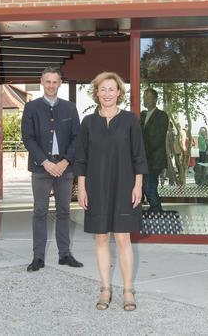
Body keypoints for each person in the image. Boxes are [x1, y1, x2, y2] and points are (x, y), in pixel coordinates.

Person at [74, 72, 148, 311]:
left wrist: (138, 185)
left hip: (125, 186)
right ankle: (105, 288)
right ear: (96, 93)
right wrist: (82, 189)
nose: (107, 94)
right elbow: (82, 159)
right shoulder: (88, 122)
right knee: (101, 238)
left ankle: (128, 290)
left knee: (123, 238)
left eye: (111, 89)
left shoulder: (130, 120)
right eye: (102, 89)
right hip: (96, 187)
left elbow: (139, 156)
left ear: (119, 93)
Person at [21, 67, 83, 272]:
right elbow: (27, 138)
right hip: (41, 168)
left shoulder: (70, 108)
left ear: (60, 83)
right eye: (47, 81)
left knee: (64, 211)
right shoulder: (31, 107)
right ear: (41, 82)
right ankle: (38, 257)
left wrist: (65, 161)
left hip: (65, 168)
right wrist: (45, 162)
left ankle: (64, 254)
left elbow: (77, 137)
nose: (51, 85)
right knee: (40, 211)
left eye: (55, 82)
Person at [140, 88, 169, 213]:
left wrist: (143, 151)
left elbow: (158, 138)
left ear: (155, 99)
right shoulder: (142, 115)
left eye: (148, 97)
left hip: (154, 158)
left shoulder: (161, 116)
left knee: (149, 185)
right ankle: (154, 210)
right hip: (143, 158)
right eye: (143, 97)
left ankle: (156, 209)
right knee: (145, 185)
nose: (145, 99)